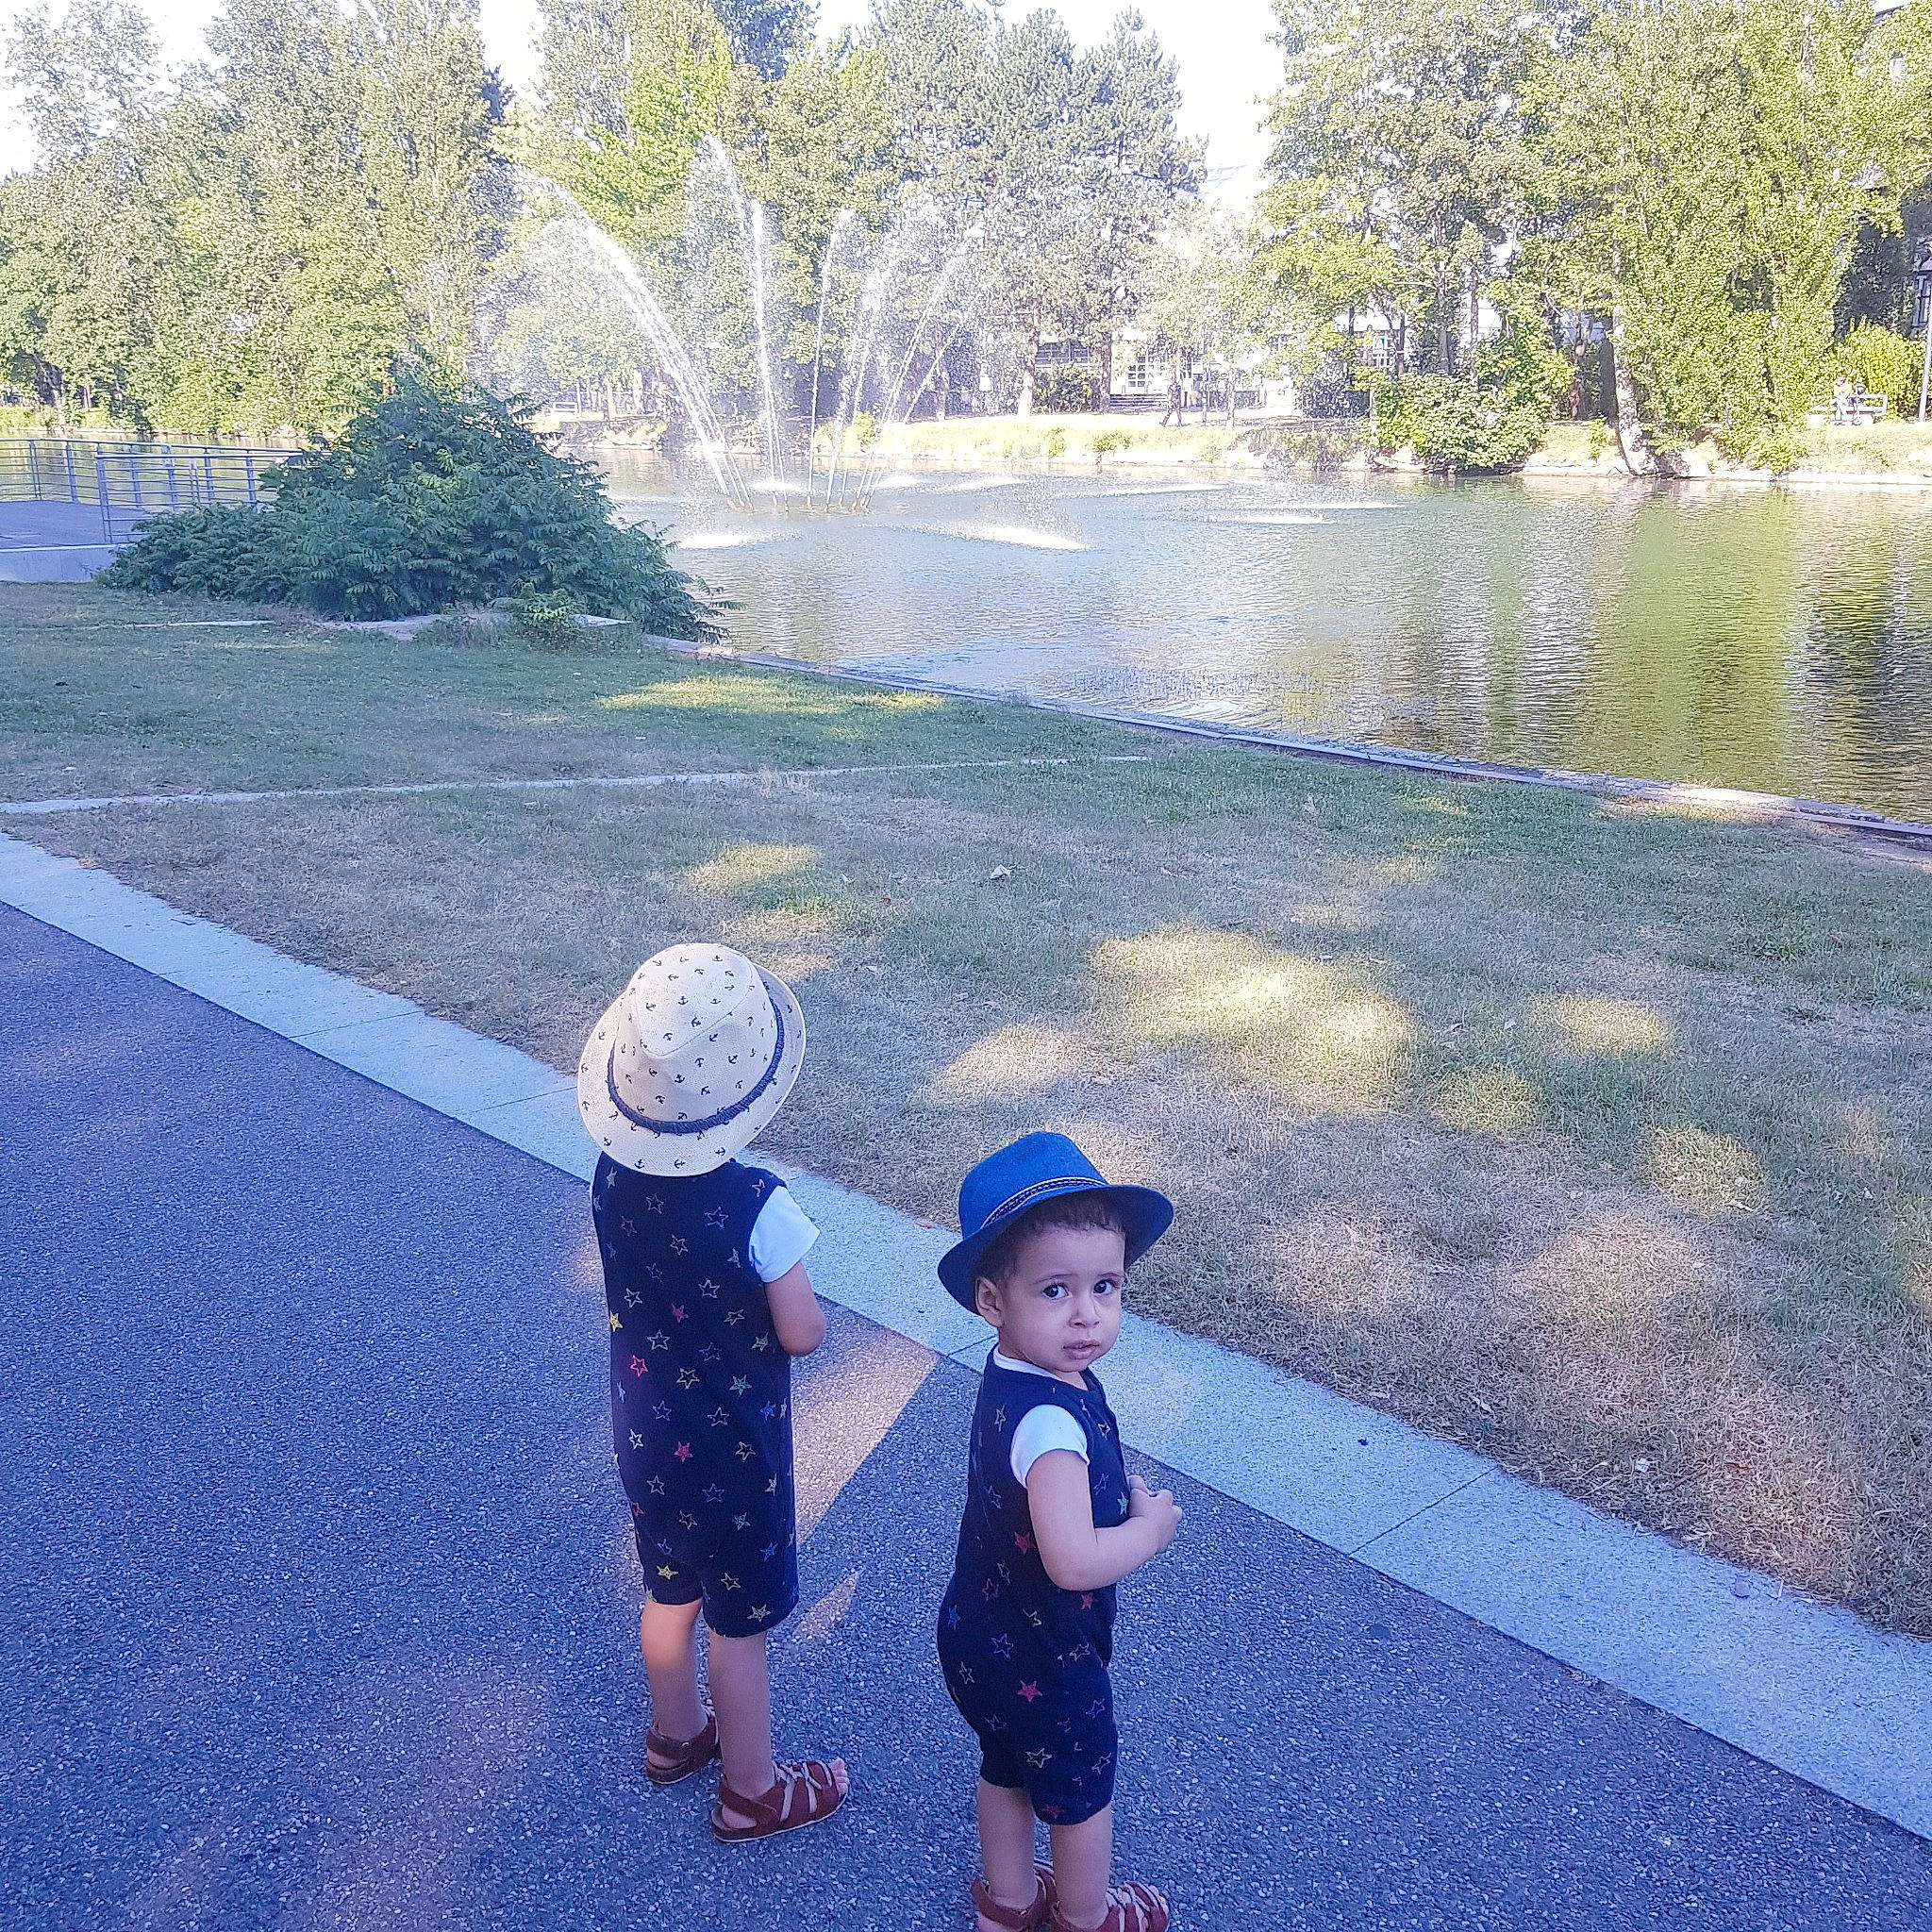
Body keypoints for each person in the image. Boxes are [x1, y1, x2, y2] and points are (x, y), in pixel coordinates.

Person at [578, 942, 849, 1841]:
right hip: (737, 1447)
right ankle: (752, 1788)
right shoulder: (761, 1205)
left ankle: (675, 1735)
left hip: (645, 1431)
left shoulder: (611, 1178)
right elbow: (804, 1333)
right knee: (740, 1622)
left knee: (670, 1590)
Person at [935, 1132, 1182, 1932]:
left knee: (1006, 1768)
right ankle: (1087, 1916)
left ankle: (1006, 1906)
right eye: (1054, 1291)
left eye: (1105, 1285)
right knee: (1079, 1799)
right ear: (992, 1301)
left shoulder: (1020, 1374)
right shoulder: (1051, 1422)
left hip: (981, 1633)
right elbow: (1074, 1560)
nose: (1087, 1314)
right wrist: (1147, 1530)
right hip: (1046, 1654)